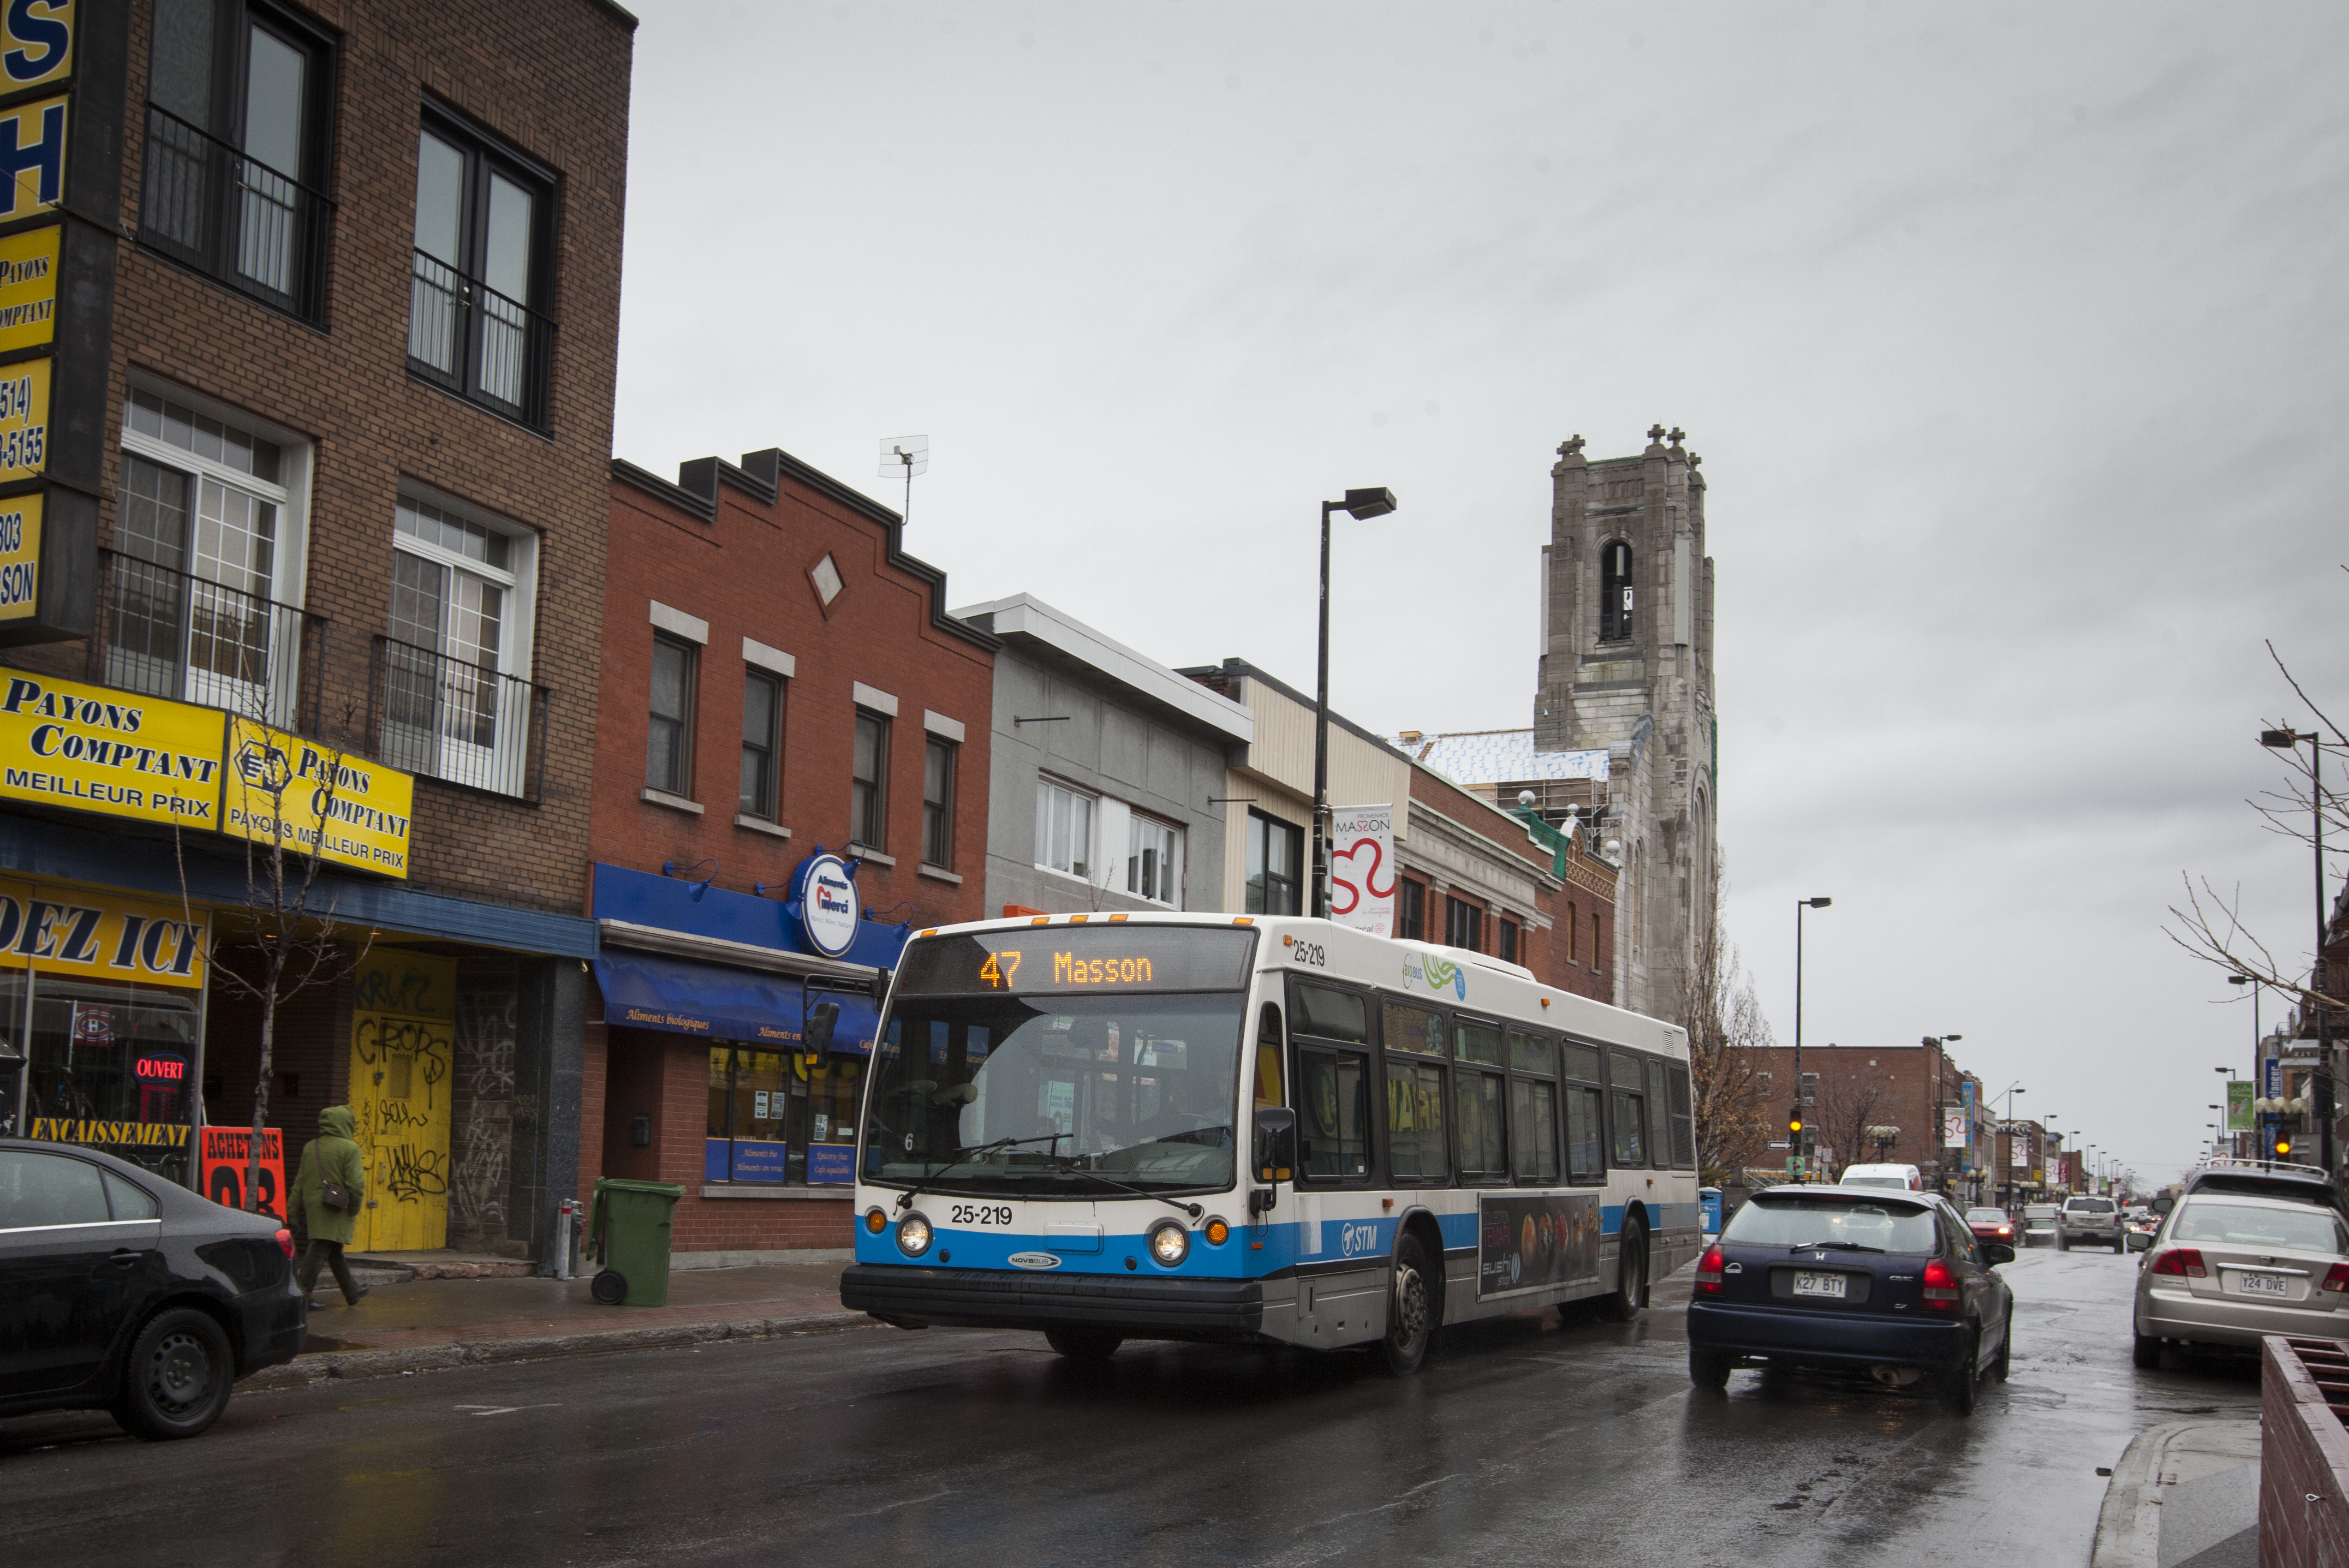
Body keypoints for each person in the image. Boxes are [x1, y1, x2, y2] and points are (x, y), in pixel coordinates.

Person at [291, 1105, 368, 1309]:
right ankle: (302, 1297)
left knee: (333, 1248)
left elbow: (300, 1181)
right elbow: (357, 1185)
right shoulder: (350, 1149)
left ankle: (352, 1291)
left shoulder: (311, 1147)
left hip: (314, 1205)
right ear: (346, 1123)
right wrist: (354, 1208)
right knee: (319, 1249)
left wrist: (292, 1211)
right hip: (336, 1206)